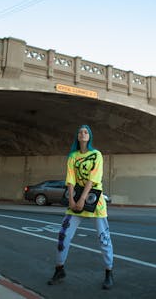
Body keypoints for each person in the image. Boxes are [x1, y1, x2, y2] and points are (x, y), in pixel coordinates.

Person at [48, 124, 114, 290]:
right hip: (75, 199)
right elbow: (70, 179)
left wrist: (83, 198)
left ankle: (109, 272)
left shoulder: (96, 154)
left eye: (86, 132)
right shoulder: (73, 156)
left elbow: (94, 178)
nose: (83, 134)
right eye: (80, 132)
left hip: (94, 200)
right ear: (77, 137)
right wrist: (71, 200)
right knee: (63, 235)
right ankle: (59, 269)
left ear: (90, 136)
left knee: (104, 238)